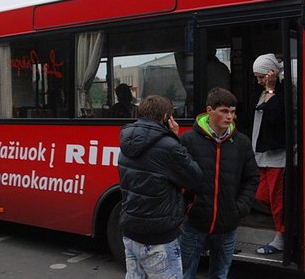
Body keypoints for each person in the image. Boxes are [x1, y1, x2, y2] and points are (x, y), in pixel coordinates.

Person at [118, 95, 203, 279]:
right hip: (158, 236)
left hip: (130, 232)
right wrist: (175, 138)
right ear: (166, 117)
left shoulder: (126, 140)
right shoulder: (169, 145)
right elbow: (195, 178)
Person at [179, 87, 259, 279]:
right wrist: (185, 209)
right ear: (209, 110)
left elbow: (252, 178)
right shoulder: (188, 140)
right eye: (224, 111)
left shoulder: (242, 143)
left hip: (227, 226)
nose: (230, 116)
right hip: (194, 224)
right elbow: (177, 179)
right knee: (184, 274)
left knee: (220, 275)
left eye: (232, 111)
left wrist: (239, 208)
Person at [251, 53, 286, 255]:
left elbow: (275, 119)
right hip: (262, 154)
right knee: (262, 195)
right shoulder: (262, 92)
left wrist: (271, 88)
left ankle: (281, 236)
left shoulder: (280, 92)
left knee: (277, 199)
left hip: (276, 156)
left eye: (261, 76)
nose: (259, 81)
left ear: (272, 73)